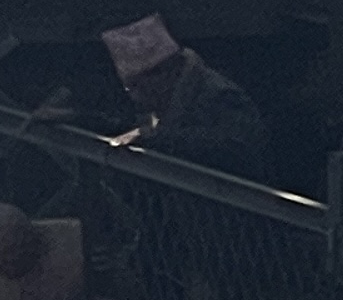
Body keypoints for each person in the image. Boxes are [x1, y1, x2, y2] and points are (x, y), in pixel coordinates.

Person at [102, 13, 273, 185]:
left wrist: (155, 138)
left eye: (139, 86)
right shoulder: (163, 104)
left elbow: (235, 148)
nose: (136, 96)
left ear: (167, 71)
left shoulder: (221, 97)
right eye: (131, 87)